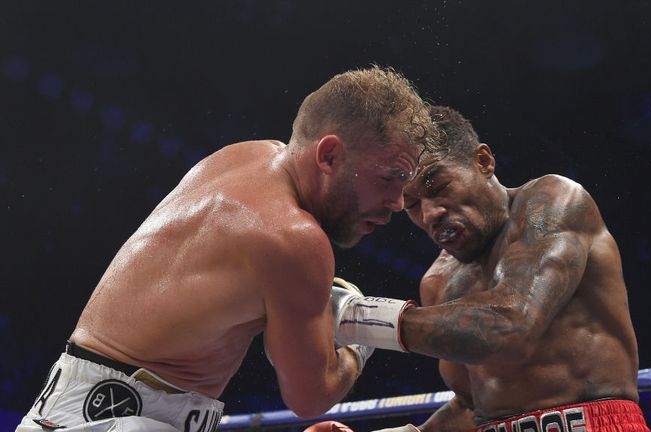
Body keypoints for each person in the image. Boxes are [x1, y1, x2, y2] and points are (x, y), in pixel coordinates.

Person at [16, 66, 437, 432]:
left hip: (82, 410)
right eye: (390, 177)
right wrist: (358, 339)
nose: (398, 203)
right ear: (328, 156)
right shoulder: (293, 238)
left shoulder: (245, 156)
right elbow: (311, 397)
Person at [328, 106, 650, 431]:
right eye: (411, 204)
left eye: (438, 187)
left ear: (482, 161)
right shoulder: (438, 282)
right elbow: (473, 407)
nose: (430, 214)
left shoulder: (553, 202)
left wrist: (356, 317)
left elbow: (512, 325)